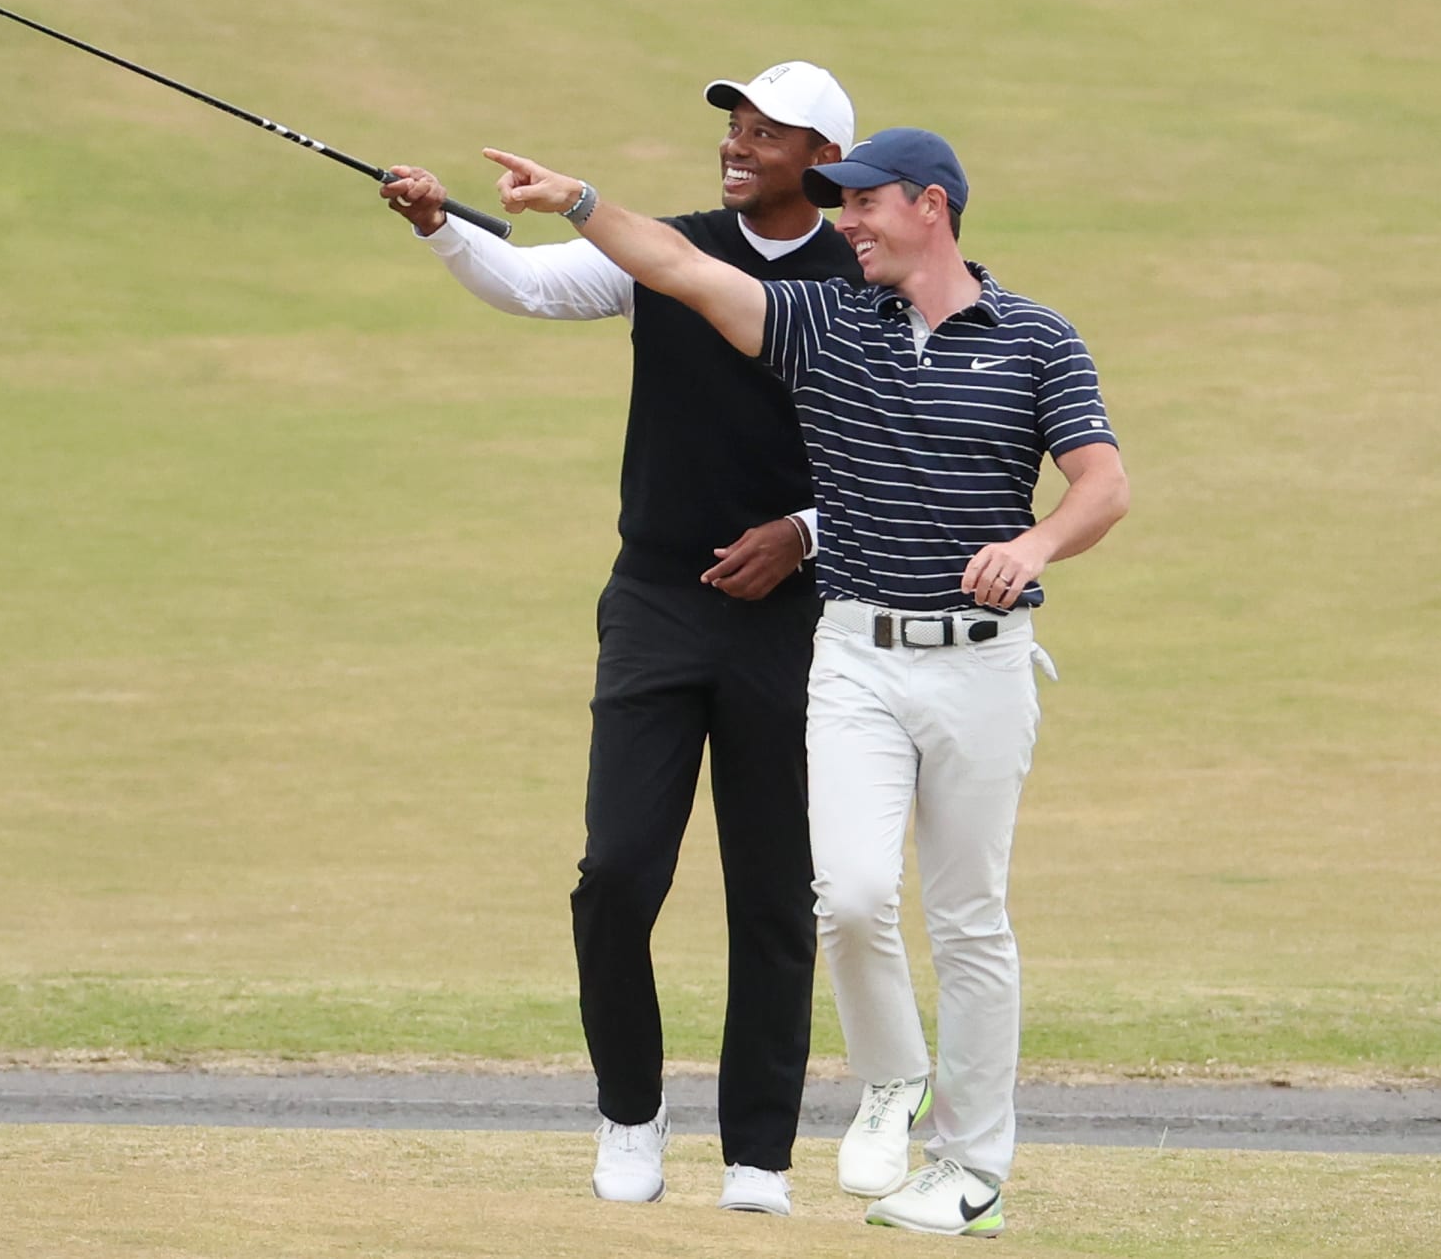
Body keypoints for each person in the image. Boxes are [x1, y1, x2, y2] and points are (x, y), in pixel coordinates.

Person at [482, 127, 1130, 1237]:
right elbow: (682, 270)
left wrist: (1034, 547)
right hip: (855, 658)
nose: (845, 225)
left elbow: (1103, 484)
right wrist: (581, 201)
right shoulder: (827, 325)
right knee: (854, 896)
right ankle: (893, 1081)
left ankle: (970, 1169)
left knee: (970, 922)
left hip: (982, 668)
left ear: (931, 205)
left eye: (865, 205)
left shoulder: (1037, 338)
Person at [378, 63, 863, 1215]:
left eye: (766, 135)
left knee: (774, 893)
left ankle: (758, 1155)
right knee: (616, 873)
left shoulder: (864, 280)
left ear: (825, 163)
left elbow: (903, 458)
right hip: (655, 599)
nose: (737, 148)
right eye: (733, 130)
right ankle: (631, 1116)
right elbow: (538, 285)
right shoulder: (668, 248)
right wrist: (446, 227)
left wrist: (801, 533)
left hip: (791, 622)